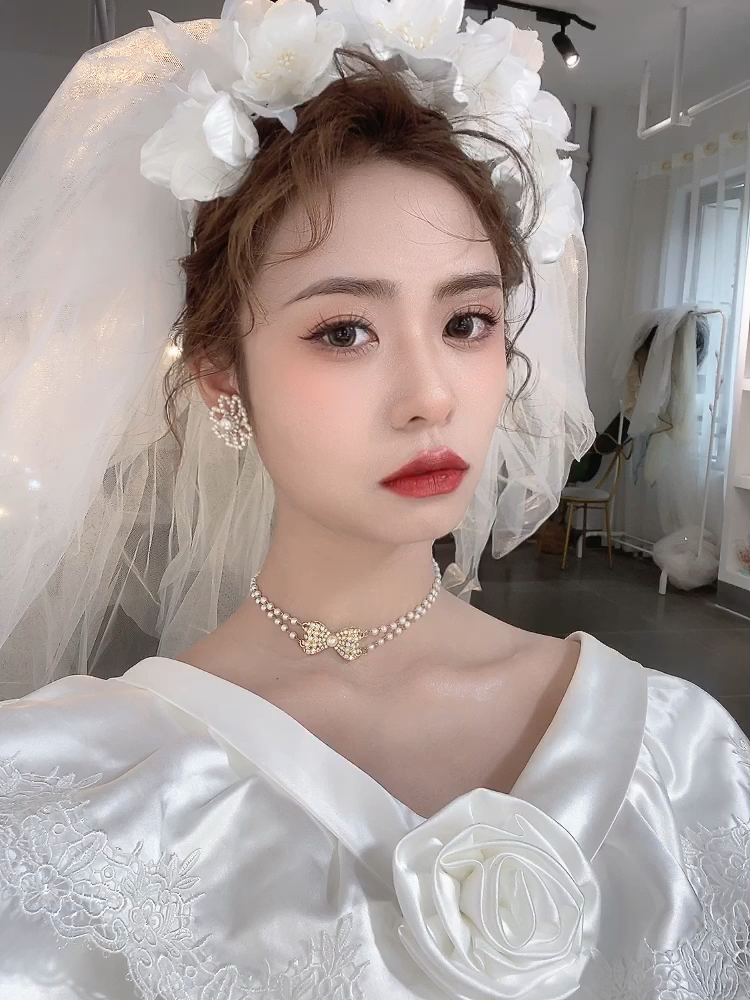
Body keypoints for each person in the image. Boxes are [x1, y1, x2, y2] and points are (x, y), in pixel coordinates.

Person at [0, 2, 748, 997]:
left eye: (467, 321)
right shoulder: (69, 798)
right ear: (220, 370)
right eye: (344, 331)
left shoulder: (688, 758)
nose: (431, 396)